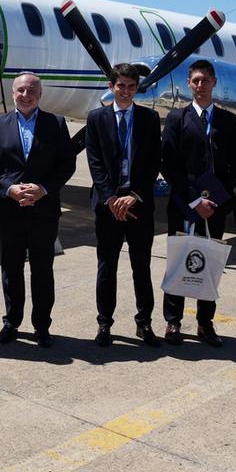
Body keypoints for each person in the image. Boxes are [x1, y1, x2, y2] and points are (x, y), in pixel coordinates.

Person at [0, 72, 76, 347]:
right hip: (10, 210)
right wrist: (9, 189)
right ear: (13, 93)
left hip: (43, 210)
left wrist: (44, 189)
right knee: (11, 268)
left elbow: (66, 164)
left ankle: (42, 326)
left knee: (42, 269)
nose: (26, 95)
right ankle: (12, 321)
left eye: (31, 90)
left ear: (40, 94)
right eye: (21, 90)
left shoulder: (56, 124)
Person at [160, 60, 236, 347]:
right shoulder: (176, 119)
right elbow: (168, 164)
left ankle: (205, 323)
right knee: (178, 261)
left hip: (215, 207)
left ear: (214, 82)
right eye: (195, 80)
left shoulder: (229, 121)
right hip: (184, 204)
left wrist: (215, 200)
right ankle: (173, 320)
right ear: (188, 83)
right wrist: (194, 200)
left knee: (210, 263)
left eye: (205, 80)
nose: (200, 86)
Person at [85, 63, 162, 348]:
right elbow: (94, 162)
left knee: (141, 267)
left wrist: (136, 195)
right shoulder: (95, 119)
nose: (126, 91)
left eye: (132, 86)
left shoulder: (150, 118)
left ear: (137, 88)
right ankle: (104, 323)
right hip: (108, 207)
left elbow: (154, 160)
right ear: (111, 87)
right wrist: (111, 198)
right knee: (107, 267)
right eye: (121, 86)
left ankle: (144, 323)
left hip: (139, 205)